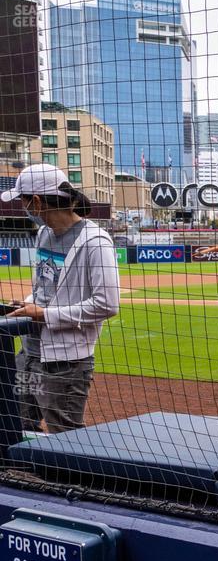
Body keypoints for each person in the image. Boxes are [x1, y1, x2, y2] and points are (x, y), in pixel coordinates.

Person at [3, 164, 120, 433]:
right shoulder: (44, 233)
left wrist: (44, 314)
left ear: (36, 201)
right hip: (29, 354)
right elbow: (44, 288)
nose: (23, 207)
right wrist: (28, 303)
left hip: (64, 363)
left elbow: (107, 303)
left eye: (23, 200)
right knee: (17, 424)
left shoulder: (95, 242)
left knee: (65, 434)